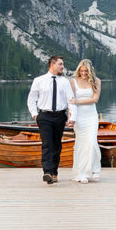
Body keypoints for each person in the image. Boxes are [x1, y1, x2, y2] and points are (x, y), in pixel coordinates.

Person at [27, 56, 76, 184]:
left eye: (62, 64)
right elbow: (31, 99)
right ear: (52, 64)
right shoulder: (39, 80)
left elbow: (71, 100)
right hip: (44, 116)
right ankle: (47, 172)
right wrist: (34, 114)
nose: (62, 66)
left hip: (60, 116)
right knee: (47, 144)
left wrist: (72, 117)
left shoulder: (65, 82)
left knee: (56, 145)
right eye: (60, 64)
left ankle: (54, 172)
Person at [68, 59, 101, 183]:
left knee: (92, 142)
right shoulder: (73, 82)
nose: (83, 73)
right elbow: (69, 102)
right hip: (79, 117)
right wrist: (70, 117)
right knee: (81, 144)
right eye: (81, 71)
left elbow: (95, 99)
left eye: (86, 71)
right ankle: (81, 173)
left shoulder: (96, 81)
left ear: (90, 71)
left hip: (91, 116)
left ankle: (95, 170)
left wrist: (77, 101)